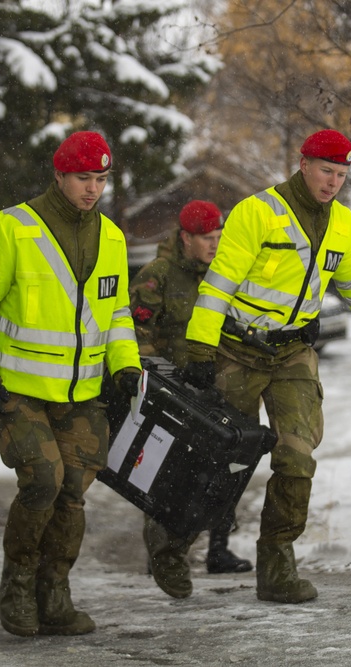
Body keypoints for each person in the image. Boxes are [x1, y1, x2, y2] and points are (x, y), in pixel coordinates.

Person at [182, 129, 351, 604]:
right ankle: (172, 541)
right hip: (238, 350)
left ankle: (276, 565)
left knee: (297, 458)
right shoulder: (258, 212)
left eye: (341, 175)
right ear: (303, 164)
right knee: (220, 457)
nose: (333, 182)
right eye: (326, 171)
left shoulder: (341, 222)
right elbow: (219, 283)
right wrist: (199, 349)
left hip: (293, 355)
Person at [0, 131, 141, 637]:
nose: (92, 189)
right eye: (83, 178)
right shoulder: (12, 227)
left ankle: (54, 592)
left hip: (83, 393)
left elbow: (117, 312)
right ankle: (17, 586)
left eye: (101, 179)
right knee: (42, 480)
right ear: (59, 175)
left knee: (73, 494)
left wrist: (124, 367)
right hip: (17, 388)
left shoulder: (111, 237)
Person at [129, 200, 252, 599]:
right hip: (178, 391)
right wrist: (166, 375)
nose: (215, 244)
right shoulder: (157, 276)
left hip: (225, 384)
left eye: (219, 237)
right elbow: (135, 333)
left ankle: (218, 548)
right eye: (207, 238)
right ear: (186, 238)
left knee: (230, 466)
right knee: (172, 472)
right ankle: (162, 550)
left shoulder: (227, 273)